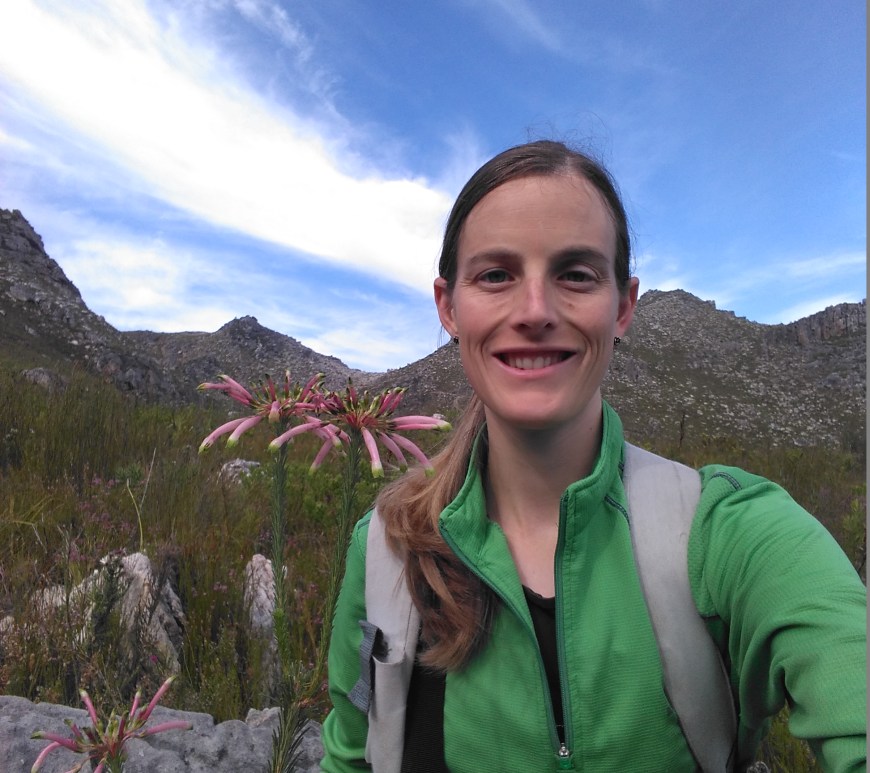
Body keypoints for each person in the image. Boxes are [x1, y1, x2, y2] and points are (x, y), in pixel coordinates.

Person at [319, 140, 867, 771]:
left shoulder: (731, 533)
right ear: (448, 306)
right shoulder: (386, 548)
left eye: (576, 274)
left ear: (624, 306)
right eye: (495, 275)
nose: (534, 312)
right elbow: (350, 753)